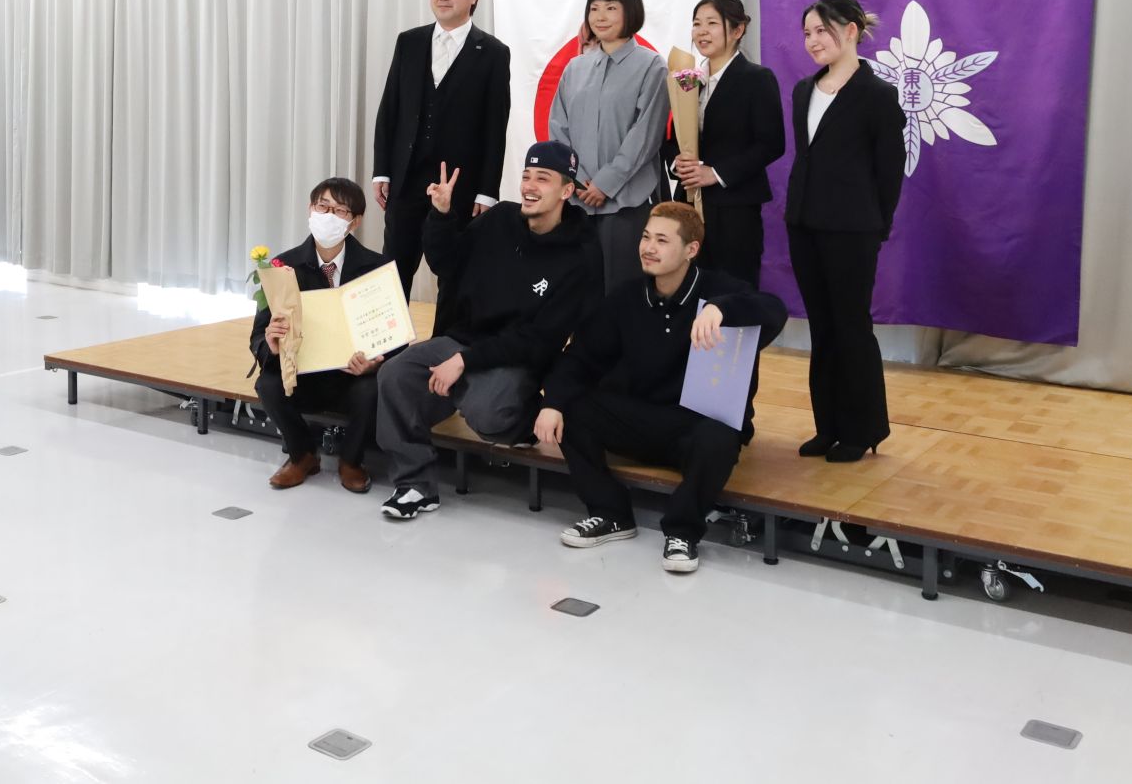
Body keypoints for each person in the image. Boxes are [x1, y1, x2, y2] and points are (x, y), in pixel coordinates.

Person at [533, 203, 786, 573]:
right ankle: (611, 513)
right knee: (570, 407)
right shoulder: (625, 297)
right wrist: (552, 403)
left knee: (721, 438)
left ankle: (682, 532)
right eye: (646, 237)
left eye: (662, 241)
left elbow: (773, 308)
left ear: (691, 249)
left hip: (694, 427)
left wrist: (720, 310)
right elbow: (581, 357)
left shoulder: (719, 289)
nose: (648, 248)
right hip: (641, 418)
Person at [375, 141, 602, 521]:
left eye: (542, 178)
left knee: (490, 413)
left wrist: (464, 363)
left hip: (516, 358)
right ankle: (415, 484)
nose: (529, 186)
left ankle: (521, 421)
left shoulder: (580, 253)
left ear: (567, 191)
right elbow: (447, 263)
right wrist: (441, 214)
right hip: (463, 340)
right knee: (395, 374)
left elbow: (540, 340)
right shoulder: (499, 219)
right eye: (526, 176)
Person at [785, 0, 905, 463]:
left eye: (822, 30)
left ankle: (862, 429)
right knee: (822, 327)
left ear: (851, 30)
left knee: (851, 326)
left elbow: (889, 172)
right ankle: (828, 426)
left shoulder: (877, 95)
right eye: (807, 33)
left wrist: (876, 226)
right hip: (804, 225)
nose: (813, 41)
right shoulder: (803, 90)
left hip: (853, 230)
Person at [372, 0, 511, 295]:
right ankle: (391, 334)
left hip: (460, 185)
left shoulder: (493, 52)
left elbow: (495, 128)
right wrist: (382, 171)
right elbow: (390, 109)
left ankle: (447, 333)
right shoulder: (409, 42)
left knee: (454, 275)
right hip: (406, 180)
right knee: (393, 271)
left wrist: (487, 192)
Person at [247, 178, 397, 493]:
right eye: (322, 207)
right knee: (268, 384)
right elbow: (258, 336)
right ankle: (302, 455)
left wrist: (375, 363)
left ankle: (351, 461)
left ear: (355, 222)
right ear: (310, 209)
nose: (328, 216)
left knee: (371, 388)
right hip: (304, 374)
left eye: (340, 211)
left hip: (352, 377)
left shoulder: (377, 267)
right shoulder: (283, 266)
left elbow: (397, 338)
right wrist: (271, 344)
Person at [547, 0, 668, 291]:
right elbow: (558, 129)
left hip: (626, 203)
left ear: (631, 12)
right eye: (594, 8)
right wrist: (577, 180)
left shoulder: (652, 66)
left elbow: (645, 135)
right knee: (577, 288)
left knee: (621, 290)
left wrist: (605, 183)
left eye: (611, 8)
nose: (600, 16)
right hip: (577, 201)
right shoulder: (575, 68)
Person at [665, 0, 785, 286]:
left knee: (731, 290)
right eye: (697, 24)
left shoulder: (757, 78)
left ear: (737, 30)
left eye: (711, 23)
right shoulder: (687, 80)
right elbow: (670, 137)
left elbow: (771, 143)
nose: (701, 32)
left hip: (735, 208)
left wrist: (716, 173)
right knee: (687, 287)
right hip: (689, 204)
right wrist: (678, 163)